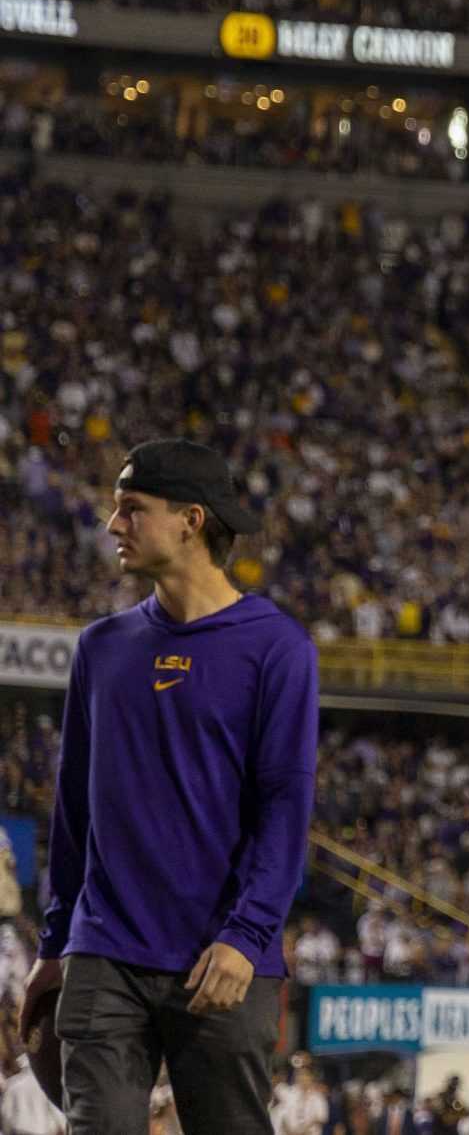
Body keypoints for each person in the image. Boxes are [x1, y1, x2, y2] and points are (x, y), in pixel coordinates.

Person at [20, 440, 319, 1135]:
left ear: (191, 519)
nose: (112, 523)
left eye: (132, 508)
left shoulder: (277, 647)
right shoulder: (101, 646)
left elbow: (285, 805)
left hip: (220, 960)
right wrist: (55, 941)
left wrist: (247, 935)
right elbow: (72, 812)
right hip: (104, 954)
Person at [3, 1051, 66, 1135]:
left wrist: (7, 1130)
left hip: (22, 1130)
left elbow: (6, 1114)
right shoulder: (43, 1082)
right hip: (47, 1130)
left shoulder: (12, 1085)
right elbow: (54, 1105)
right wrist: (61, 1125)